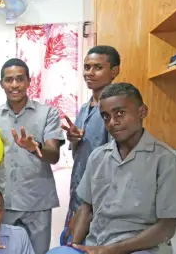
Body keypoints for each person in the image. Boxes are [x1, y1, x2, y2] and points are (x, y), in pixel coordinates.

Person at [70, 82, 176, 254]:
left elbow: (167, 228)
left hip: (143, 249)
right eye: (105, 116)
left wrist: (110, 250)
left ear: (142, 112)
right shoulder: (97, 157)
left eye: (120, 113)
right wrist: (74, 247)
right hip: (97, 244)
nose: (112, 122)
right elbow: (85, 209)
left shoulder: (167, 161)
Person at [0, 58, 65, 254]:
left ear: (29, 81)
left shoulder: (48, 113)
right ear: (1, 83)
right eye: (9, 80)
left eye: (20, 79)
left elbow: (54, 156)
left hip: (38, 201)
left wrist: (34, 147)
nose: (15, 85)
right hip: (5, 203)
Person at [61, 45, 120, 241]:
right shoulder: (85, 109)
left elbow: (117, 160)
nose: (90, 73)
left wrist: (90, 208)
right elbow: (81, 157)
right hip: (78, 195)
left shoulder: (116, 110)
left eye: (97, 67)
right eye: (87, 67)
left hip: (101, 201)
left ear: (114, 71)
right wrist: (75, 140)